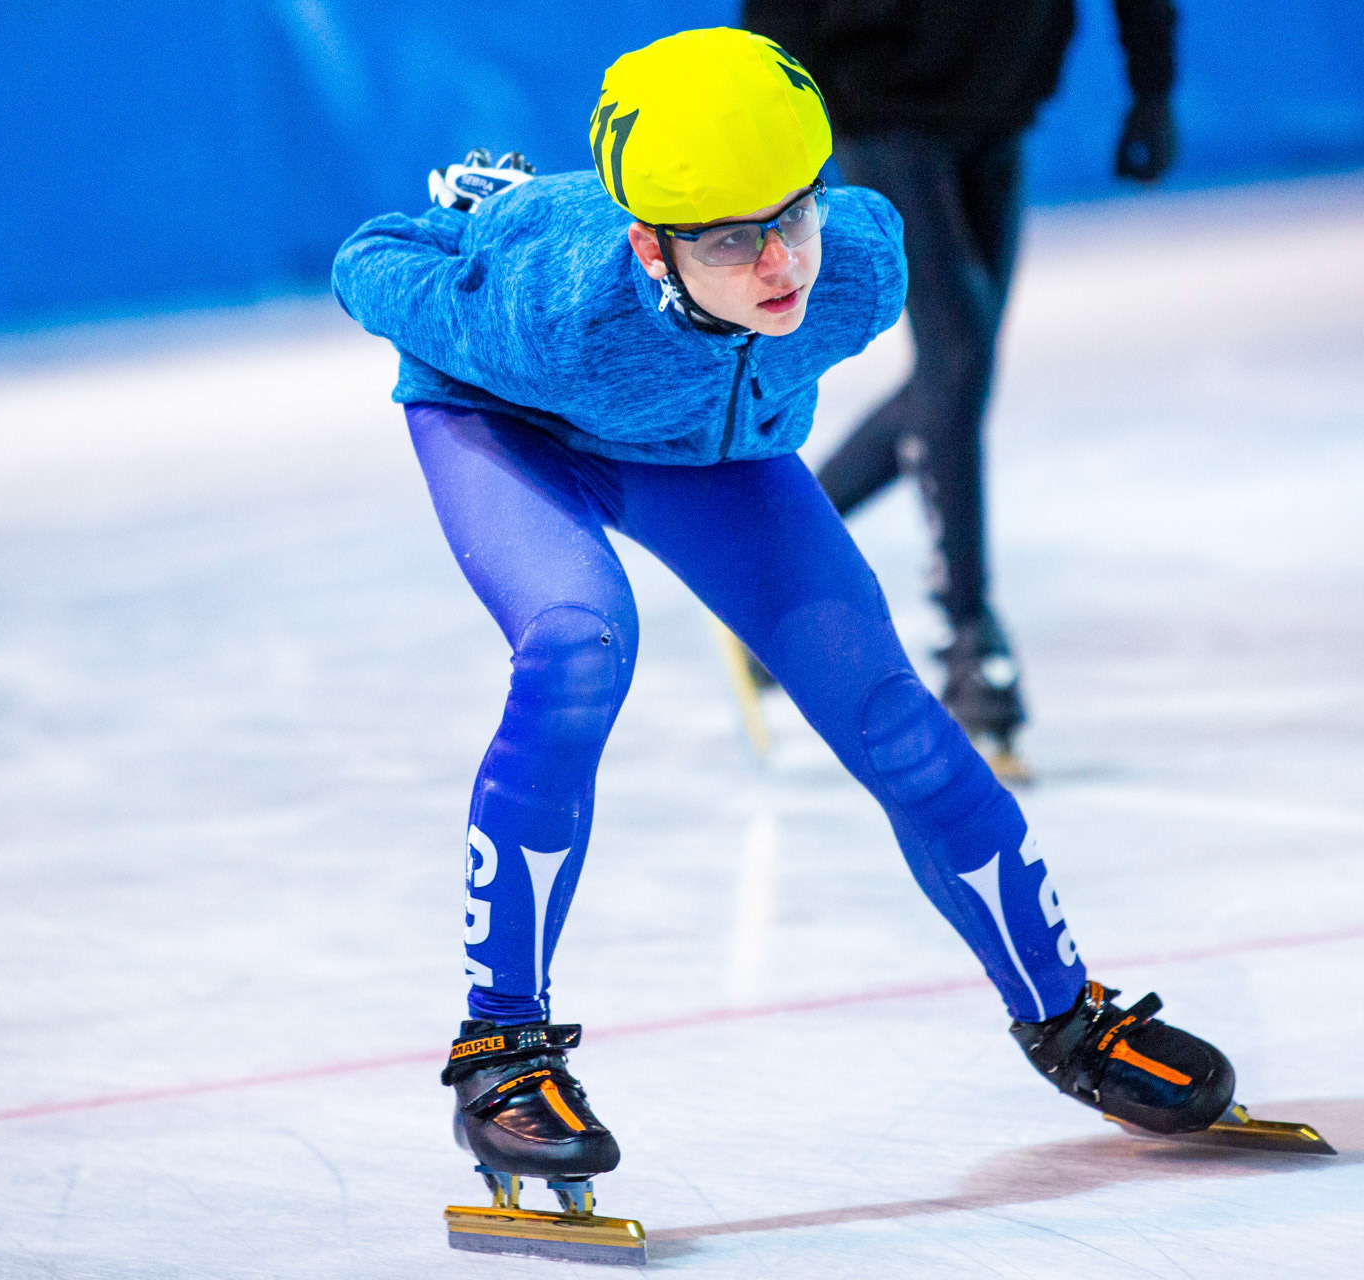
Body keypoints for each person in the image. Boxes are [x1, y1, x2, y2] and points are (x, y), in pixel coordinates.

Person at [331, 26, 1318, 1263]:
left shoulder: (858, 262)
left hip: (703, 448)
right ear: (651, 246)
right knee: (579, 644)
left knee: (893, 714)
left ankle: (1066, 1016)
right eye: (730, 239)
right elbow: (367, 260)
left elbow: (810, 264)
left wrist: (751, 250)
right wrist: (483, 217)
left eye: (792, 216)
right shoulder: (548, 309)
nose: (780, 261)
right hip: (507, 416)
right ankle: (501, 1049)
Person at [738, 1, 1180, 773]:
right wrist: (776, 131)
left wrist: (1152, 85)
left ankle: (765, 546)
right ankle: (970, 637)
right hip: (879, 99)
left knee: (954, 379)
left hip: (1000, 101)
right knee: (957, 364)